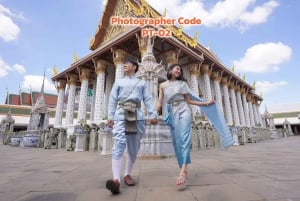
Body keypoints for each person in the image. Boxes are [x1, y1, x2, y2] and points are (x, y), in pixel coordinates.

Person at [156, 64, 234, 186]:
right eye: (176, 68)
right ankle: (183, 167)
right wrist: (153, 114)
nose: (178, 70)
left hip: (184, 109)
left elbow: (189, 100)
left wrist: (206, 103)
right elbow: (160, 102)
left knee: (185, 138)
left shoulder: (183, 84)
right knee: (177, 141)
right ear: (170, 70)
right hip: (172, 112)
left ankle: (183, 171)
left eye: (180, 69)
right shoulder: (162, 85)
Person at [106, 59, 158, 195]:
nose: (124, 65)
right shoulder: (118, 82)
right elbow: (112, 99)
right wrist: (110, 116)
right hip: (121, 113)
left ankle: (127, 174)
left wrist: (153, 114)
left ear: (134, 67)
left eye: (127, 63)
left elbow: (147, 99)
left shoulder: (141, 83)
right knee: (119, 143)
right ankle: (116, 179)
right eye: (123, 64)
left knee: (134, 147)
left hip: (136, 114)